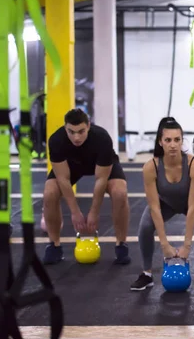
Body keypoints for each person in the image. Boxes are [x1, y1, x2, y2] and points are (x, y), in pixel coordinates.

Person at [130, 117, 194, 291]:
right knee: (145, 226)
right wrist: (164, 245)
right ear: (160, 142)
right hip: (166, 203)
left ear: (182, 141)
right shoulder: (151, 167)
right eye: (168, 140)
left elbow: (193, 207)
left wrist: (187, 246)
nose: (173, 144)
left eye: (177, 140)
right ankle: (146, 274)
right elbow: (154, 207)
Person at [42, 108, 131, 265]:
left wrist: (94, 212)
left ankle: (121, 245)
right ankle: (54, 246)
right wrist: (75, 212)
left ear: (89, 126)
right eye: (71, 132)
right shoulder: (56, 140)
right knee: (49, 192)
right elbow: (63, 179)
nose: (76, 137)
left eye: (81, 131)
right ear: (65, 128)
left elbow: (101, 179)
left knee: (120, 192)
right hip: (71, 166)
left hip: (101, 167)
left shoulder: (102, 138)